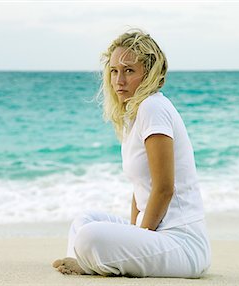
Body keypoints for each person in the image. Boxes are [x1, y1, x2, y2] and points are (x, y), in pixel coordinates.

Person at [52, 29, 211, 278]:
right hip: (155, 234)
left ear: (148, 73)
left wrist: (137, 237)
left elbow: (164, 187)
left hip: (183, 243)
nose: (119, 80)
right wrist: (131, 233)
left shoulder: (153, 107)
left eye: (129, 70)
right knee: (85, 220)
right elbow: (141, 187)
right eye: (114, 71)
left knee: (89, 237)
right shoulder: (133, 115)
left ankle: (91, 263)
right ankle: (91, 261)